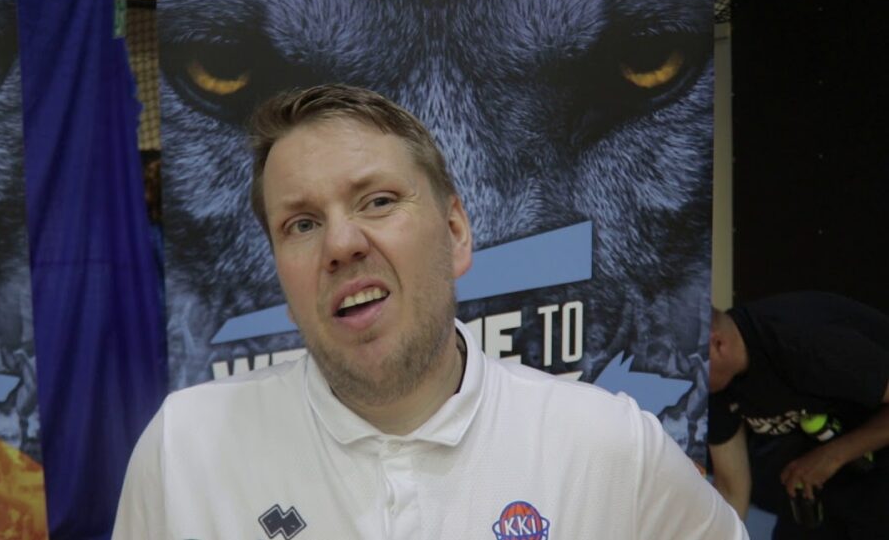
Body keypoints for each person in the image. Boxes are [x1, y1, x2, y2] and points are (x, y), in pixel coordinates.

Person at [112, 84, 745, 539]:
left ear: (455, 232)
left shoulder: (610, 450)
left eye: (378, 201)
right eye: (301, 223)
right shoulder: (184, 450)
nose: (340, 244)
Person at [708, 292, 889, 539]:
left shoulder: (803, 341)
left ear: (718, 344)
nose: (690, 382)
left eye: (690, 368)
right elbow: (731, 490)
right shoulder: (717, 384)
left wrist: (834, 455)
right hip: (820, 464)